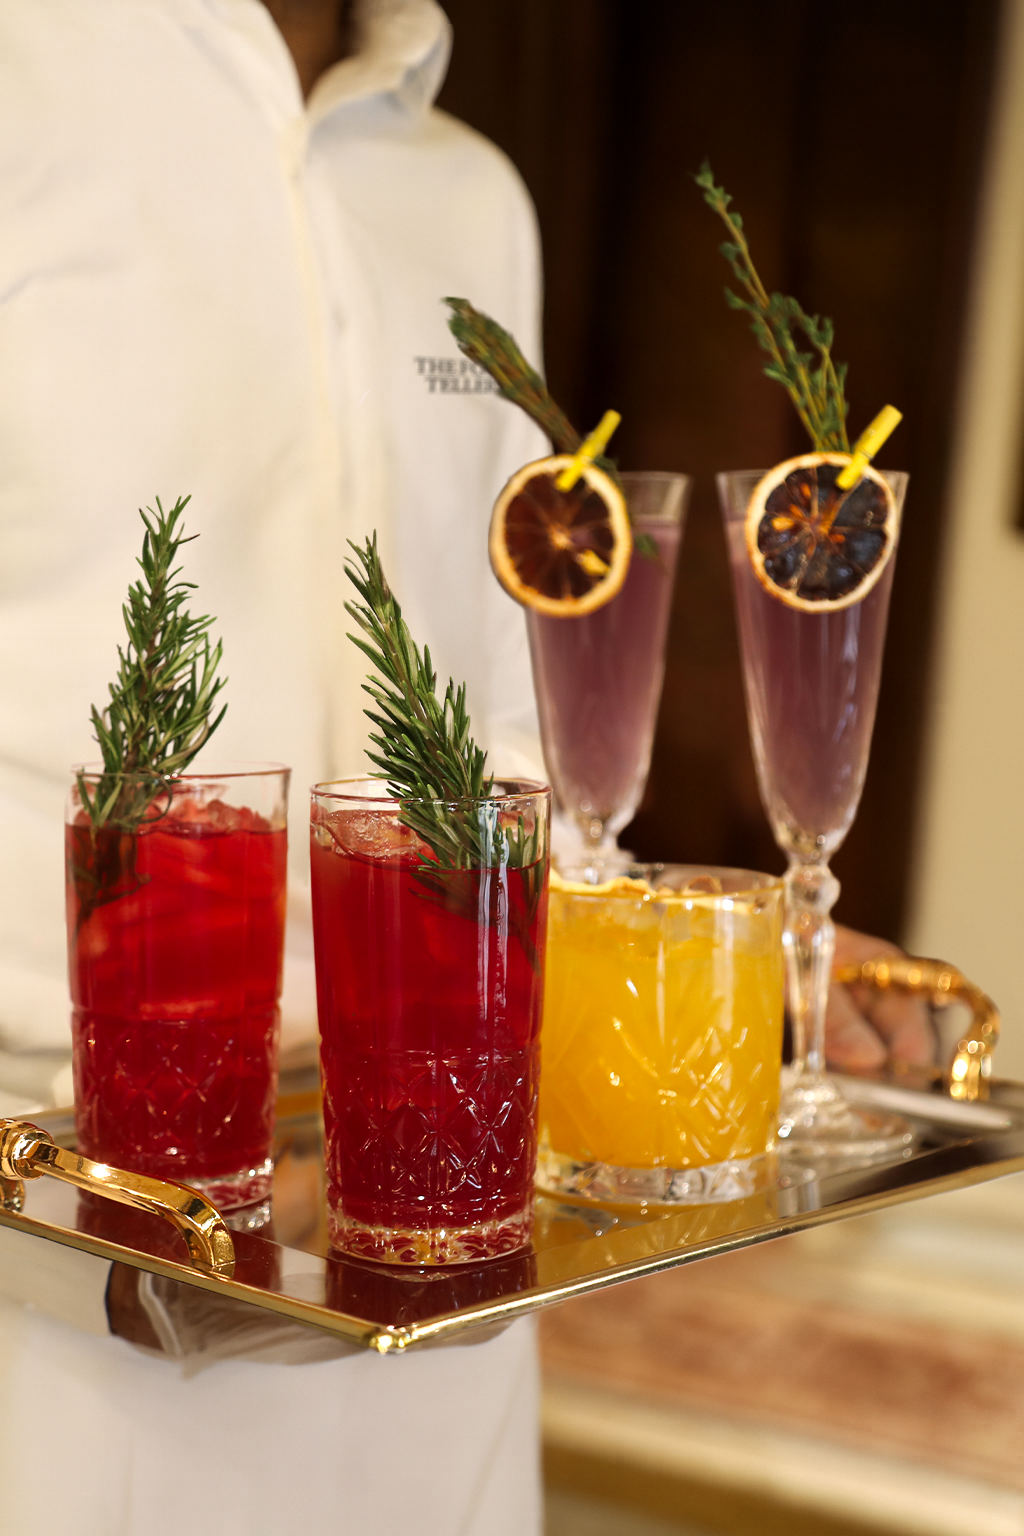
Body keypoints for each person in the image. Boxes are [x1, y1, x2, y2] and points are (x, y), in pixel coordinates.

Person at [0, 2, 932, 1532]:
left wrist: (704, 967)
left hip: (441, 1235)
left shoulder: (468, 195)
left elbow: (508, 734)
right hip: (70, 1265)